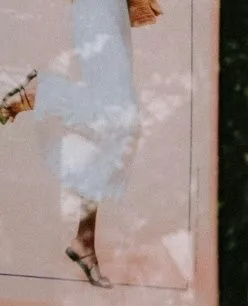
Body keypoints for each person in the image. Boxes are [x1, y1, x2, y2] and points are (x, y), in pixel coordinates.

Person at [36, 0, 158, 288]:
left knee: (117, 129)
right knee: (121, 121)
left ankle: (84, 239)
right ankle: (38, 92)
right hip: (97, 9)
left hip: (113, 10)